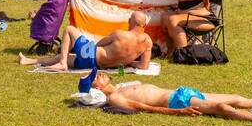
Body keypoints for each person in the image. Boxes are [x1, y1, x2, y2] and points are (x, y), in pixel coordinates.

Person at [94, 72, 252, 126]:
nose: (99, 75)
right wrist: (177, 112)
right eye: (95, 78)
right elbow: (142, 107)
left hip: (182, 92)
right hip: (176, 102)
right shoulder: (114, 98)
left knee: (236, 97)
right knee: (222, 107)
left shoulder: (123, 86)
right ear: (96, 87)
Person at [21, 12, 154, 74]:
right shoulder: (147, 41)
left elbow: (99, 44)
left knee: (69, 29)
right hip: (98, 65)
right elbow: (144, 66)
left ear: (132, 22)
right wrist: (128, 62)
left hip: (92, 55)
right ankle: (29, 61)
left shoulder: (120, 34)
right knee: (65, 57)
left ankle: (62, 64)